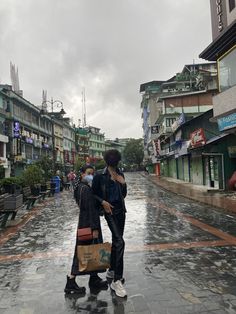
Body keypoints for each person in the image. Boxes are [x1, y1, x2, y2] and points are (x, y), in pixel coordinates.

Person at [64, 165, 108, 294]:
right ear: (82, 174)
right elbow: (90, 210)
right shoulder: (85, 189)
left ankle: (94, 279)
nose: (91, 176)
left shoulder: (80, 187)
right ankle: (71, 282)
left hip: (84, 223)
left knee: (91, 251)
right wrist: (94, 228)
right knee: (83, 252)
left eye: (92, 173)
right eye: (88, 173)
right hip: (89, 224)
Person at [92, 149, 127, 298]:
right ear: (108, 161)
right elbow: (93, 193)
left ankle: (112, 269)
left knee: (116, 241)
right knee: (120, 242)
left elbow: (123, 194)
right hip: (110, 212)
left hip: (121, 211)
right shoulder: (100, 175)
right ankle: (117, 280)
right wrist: (103, 202)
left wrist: (123, 184)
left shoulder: (120, 174)